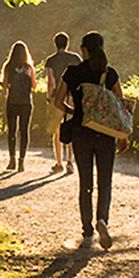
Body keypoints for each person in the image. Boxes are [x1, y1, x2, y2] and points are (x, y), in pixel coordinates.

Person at [52, 31, 123, 251]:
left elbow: (57, 101)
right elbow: (120, 105)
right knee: (105, 182)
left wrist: (76, 113)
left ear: (83, 50)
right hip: (106, 134)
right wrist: (123, 136)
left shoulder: (73, 72)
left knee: (86, 184)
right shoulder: (109, 73)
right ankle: (103, 219)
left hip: (81, 133)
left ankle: (87, 229)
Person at [0, 42, 37, 171]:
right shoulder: (29, 67)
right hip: (26, 103)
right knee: (24, 132)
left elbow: (5, 86)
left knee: (12, 131)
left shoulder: (8, 66)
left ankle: (12, 160)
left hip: (12, 102)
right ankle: (22, 161)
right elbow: (34, 86)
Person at [41, 32, 83, 175]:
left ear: (55, 44)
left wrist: (49, 97)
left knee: (57, 130)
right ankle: (70, 161)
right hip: (73, 96)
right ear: (67, 43)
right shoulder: (76, 58)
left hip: (58, 97)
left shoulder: (51, 60)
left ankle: (59, 163)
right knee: (70, 128)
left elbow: (51, 82)